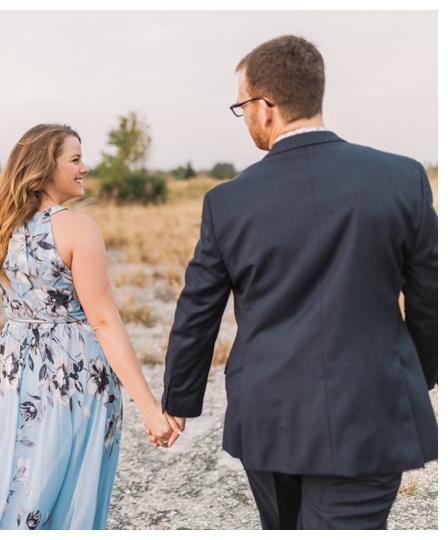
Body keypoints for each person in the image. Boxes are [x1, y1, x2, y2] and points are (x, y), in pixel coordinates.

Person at [151, 35, 437, 529]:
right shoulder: (402, 179)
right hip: (371, 409)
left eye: (242, 107)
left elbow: (198, 309)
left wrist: (178, 400)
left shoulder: (228, 201)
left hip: (269, 417)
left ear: (265, 108)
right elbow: (432, 300)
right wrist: (413, 374)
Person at [0, 124, 177, 530]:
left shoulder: (0, 227)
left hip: (13, 373)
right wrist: (150, 409)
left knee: (5, 478)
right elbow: (103, 321)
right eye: (75, 159)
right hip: (74, 378)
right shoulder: (77, 228)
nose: (85, 168)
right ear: (46, 167)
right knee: (64, 491)